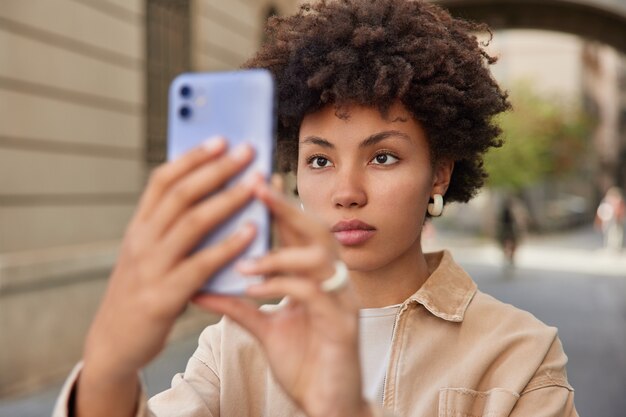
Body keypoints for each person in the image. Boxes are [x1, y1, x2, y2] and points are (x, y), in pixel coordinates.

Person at [53, 1, 578, 416]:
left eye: (384, 156)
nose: (346, 191)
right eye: (320, 160)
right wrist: (107, 372)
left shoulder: (520, 356)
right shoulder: (232, 350)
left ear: (439, 172)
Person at [595, 186, 625, 251]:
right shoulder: (607, 201)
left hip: (616, 220)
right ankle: (611, 246)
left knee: (616, 232)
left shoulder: (618, 201)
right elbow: (602, 210)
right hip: (609, 220)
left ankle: (615, 246)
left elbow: (622, 210)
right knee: (610, 233)